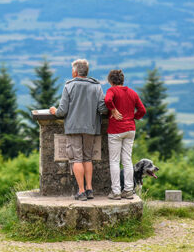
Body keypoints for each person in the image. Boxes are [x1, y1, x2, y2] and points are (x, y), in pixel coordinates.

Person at [49, 59, 107, 201]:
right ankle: (89, 189)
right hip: (91, 127)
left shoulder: (69, 86)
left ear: (75, 72)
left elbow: (62, 111)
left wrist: (54, 111)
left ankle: (81, 191)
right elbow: (102, 109)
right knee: (88, 158)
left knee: (77, 159)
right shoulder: (97, 86)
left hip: (73, 127)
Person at [105, 69, 146, 200]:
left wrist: (113, 109)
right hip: (130, 129)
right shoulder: (132, 92)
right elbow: (142, 110)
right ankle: (128, 190)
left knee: (114, 161)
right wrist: (133, 117)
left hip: (116, 129)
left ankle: (116, 192)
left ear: (110, 81)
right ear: (123, 80)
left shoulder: (112, 91)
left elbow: (107, 100)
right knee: (127, 160)